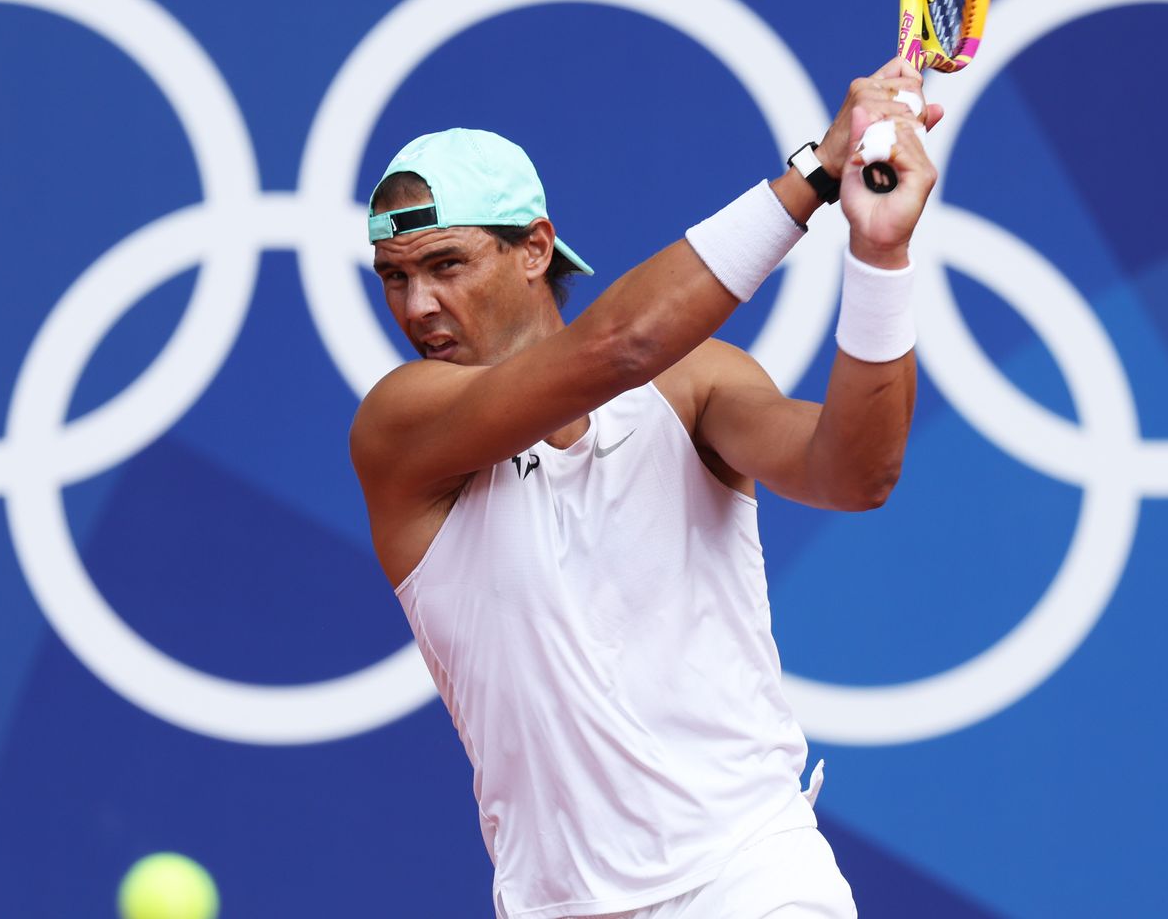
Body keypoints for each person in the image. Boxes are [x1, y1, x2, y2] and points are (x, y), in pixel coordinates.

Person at [350, 56, 941, 919]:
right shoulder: (400, 425)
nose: (417, 305)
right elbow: (618, 347)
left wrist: (879, 254)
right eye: (395, 277)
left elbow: (856, 475)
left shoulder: (695, 386)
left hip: (753, 873)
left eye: (445, 264)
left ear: (535, 249)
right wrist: (812, 175)